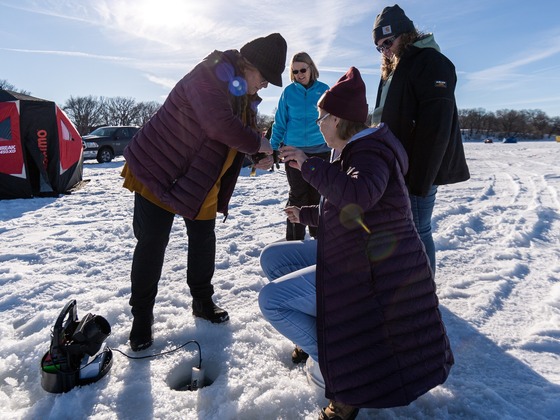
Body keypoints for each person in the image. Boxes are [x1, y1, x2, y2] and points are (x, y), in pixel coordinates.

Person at [259, 67, 453, 420]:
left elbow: (359, 196)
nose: (318, 123)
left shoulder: (370, 153)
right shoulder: (347, 150)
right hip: (355, 253)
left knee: (272, 301)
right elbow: (349, 211)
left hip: (375, 272)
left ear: (337, 118)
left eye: (321, 117)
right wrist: (305, 215)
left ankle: (339, 368)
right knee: (274, 258)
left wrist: (308, 166)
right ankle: (317, 339)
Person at [121, 33, 287, 352]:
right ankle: (141, 317)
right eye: (265, 78)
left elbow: (241, 136)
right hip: (159, 169)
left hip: (199, 179)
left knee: (203, 238)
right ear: (247, 66)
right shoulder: (208, 73)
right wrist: (256, 144)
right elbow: (217, 124)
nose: (265, 86)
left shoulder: (246, 98)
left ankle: (202, 301)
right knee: (152, 243)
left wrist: (257, 155)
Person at [371, 4, 470, 274]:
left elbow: (435, 127)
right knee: (405, 229)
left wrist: (419, 181)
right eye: (379, 46)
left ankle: (424, 290)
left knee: (416, 229)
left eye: (388, 42)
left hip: (416, 169)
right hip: (396, 164)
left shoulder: (431, 62)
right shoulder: (395, 68)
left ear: (407, 34)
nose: (385, 50)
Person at [269, 52, 330, 241]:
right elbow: (280, 122)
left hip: (321, 150)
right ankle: (294, 241)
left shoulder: (324, 90)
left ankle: (319, 242)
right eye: (295, 71)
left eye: (303, 69)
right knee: (297, 195)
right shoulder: (288, 92)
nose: (299, 74)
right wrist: (272, 150)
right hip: (293, 151)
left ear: (311, 68)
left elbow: (334, 121)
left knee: (317, 195)